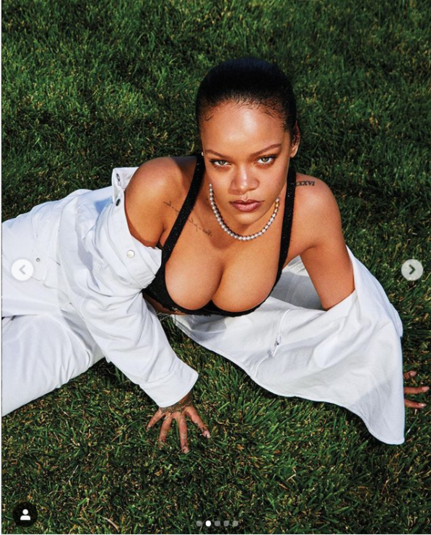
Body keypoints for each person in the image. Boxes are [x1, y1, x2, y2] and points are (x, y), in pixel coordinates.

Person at [2, 57, 428, 453]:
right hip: (48, 257)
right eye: (221, 162)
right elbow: (106, 298)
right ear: (203, 148)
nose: (243, 185)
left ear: (294, 140)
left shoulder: (310, 210)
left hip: (85, 328)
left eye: (264, 159)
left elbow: (350, 309)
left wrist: (376, 369)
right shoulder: (161, 188)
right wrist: (171, 387)